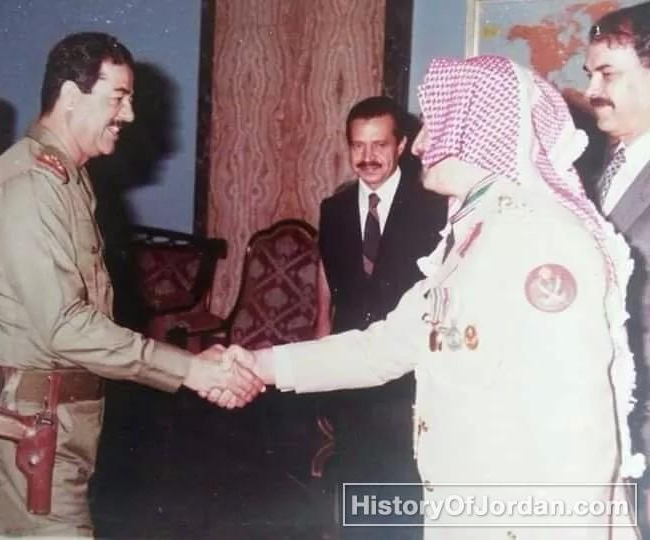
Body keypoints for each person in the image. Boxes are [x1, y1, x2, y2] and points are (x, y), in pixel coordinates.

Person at [221, 55, 643, 538]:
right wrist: (257, 364)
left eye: (435, 124)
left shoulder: (543, 242)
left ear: (476, 130)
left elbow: (578, 439)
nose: (420, 144)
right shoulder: (476, 234)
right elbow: (383, 347)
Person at [0, 32, 263, 537]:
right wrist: (189, 369)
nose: (130, 114)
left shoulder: (67, 180)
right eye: (118, 97)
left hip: (47, 433)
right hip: (25, 438)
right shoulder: (32, 184)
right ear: (71, 96)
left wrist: (191, 365)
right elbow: (66, 326)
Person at [314, 96, 445, 538]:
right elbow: (328, 280)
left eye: (380, 145)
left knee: (402, 483)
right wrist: (323, 340)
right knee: (355, 475)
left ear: (402, 145)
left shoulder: (433, 206)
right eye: (358, 145)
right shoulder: (333, 210)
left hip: (409, 375)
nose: (367, 157)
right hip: (352, 370)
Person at [584, 2, 650, 532]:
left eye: (607, 74)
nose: (591, 90)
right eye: (590, 74)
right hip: (597, 425)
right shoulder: (591, 167)